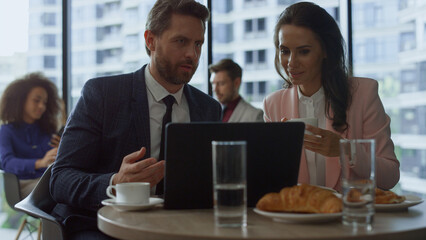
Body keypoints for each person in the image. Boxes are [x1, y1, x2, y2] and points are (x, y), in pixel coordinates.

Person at [49, 0, 221, 239]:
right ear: (150, 40)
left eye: (198, 44)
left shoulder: (209, 109)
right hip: (102, 225)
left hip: (182, 227)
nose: (192, 54)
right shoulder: (103, 94)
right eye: (181, 41)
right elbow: (61, 180)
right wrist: (115, 182)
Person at [263, 2, 399, 191]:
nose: (291, 63)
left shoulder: (364, 94)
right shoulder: (273, 104)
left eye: (304, 51)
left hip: (349, 216)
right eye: (285, 51)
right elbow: (271, 180)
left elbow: (390, 175)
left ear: (326, 50)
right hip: (298, 216)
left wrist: (346, 150)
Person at [0, 72, 61, 198]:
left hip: (49, 181)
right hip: (23, 185)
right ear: (20, 101)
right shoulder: (6, 131)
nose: (42, 106)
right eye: (36, 100)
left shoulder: (47, 131)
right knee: (61, 191)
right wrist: (40, 163)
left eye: (44, 102)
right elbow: (7, 163)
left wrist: (62, 150)